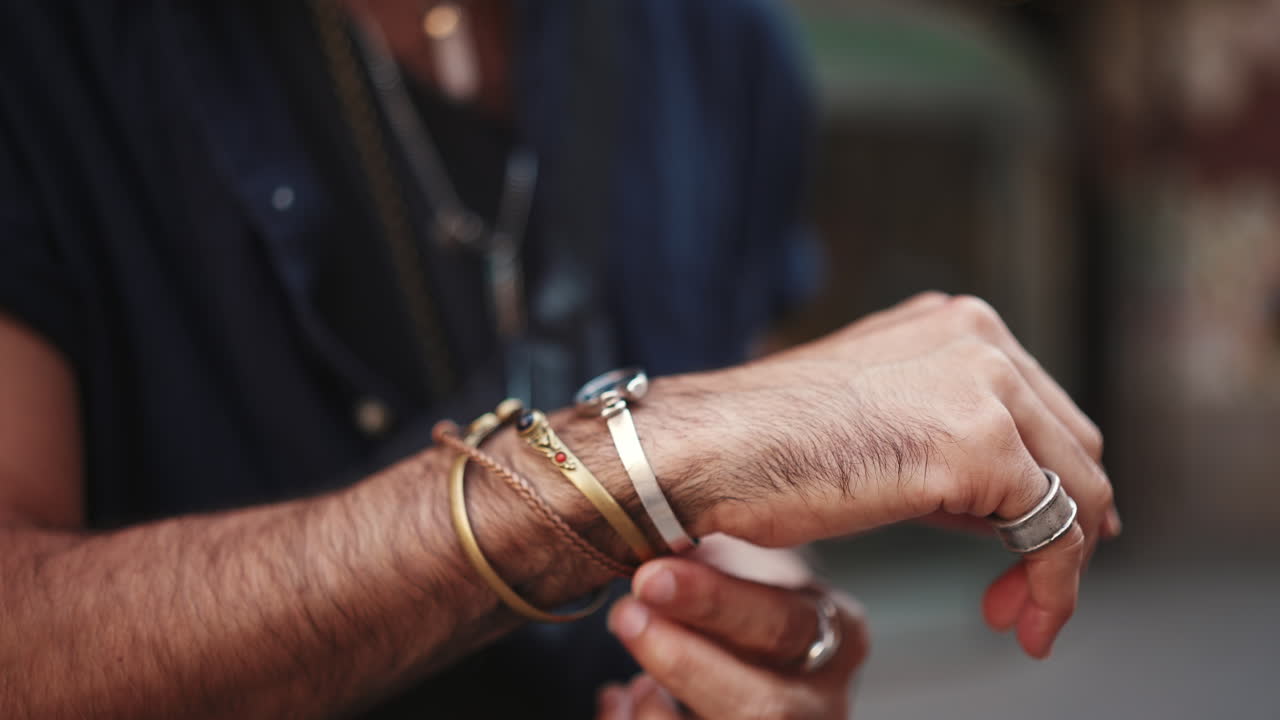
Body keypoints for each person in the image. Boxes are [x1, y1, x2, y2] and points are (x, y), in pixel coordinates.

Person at [0, 0, 1119, 718]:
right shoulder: (51, 50)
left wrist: (785, 634)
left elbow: (740, 522)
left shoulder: (725, 50)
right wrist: (643, 458)